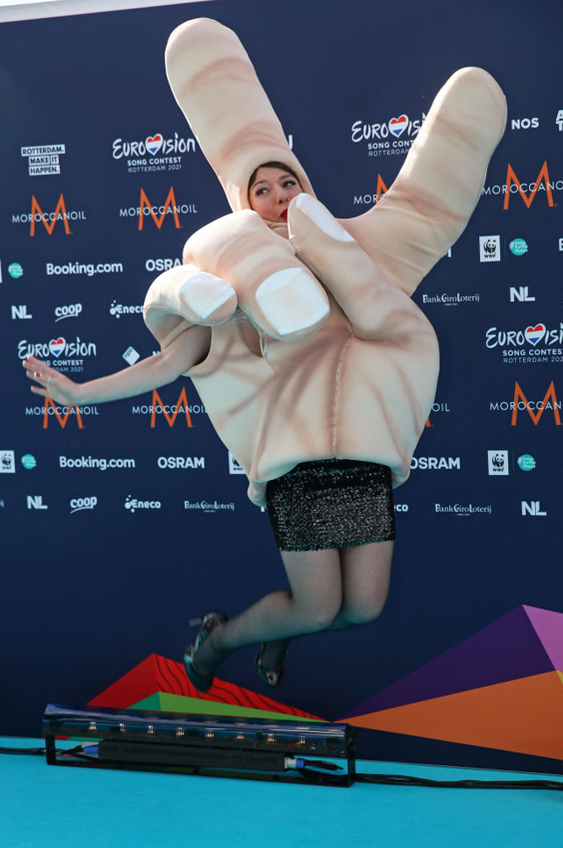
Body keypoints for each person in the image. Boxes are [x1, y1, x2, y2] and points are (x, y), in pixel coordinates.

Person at [23, 162, 398, 693]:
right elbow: (167, 363)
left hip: (362, 453)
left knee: (363, 608)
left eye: (288, 184)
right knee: (316, 609)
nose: (279, 196)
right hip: (297, 465)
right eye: (262, 190)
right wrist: (80, 393)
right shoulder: (231, 290)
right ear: (247, 209)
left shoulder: (346, 263)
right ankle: (219, 641)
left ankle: (279, 629)